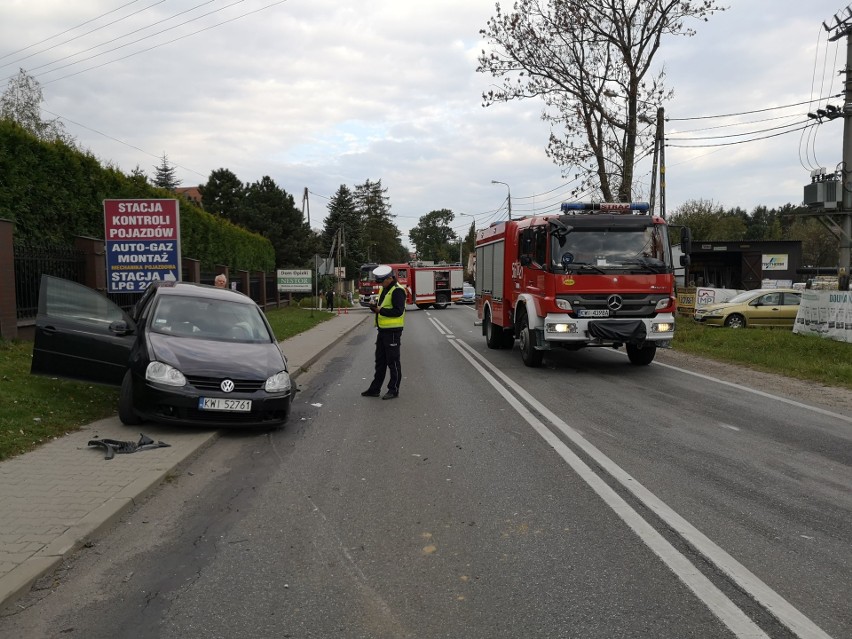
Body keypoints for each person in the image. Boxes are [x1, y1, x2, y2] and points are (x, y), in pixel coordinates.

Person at [361, 264, 406, 400]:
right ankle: (375, 389)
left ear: (390, 278)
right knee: (380, 361)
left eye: (383, 281)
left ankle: (394, 390)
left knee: (393, 362)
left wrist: (380, 310)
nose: (381, 284)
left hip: (393, 331)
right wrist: (374, 308)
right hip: (382, 331)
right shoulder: (384, 289)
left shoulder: (398, 291)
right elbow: (381, 307)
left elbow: (398, 311)